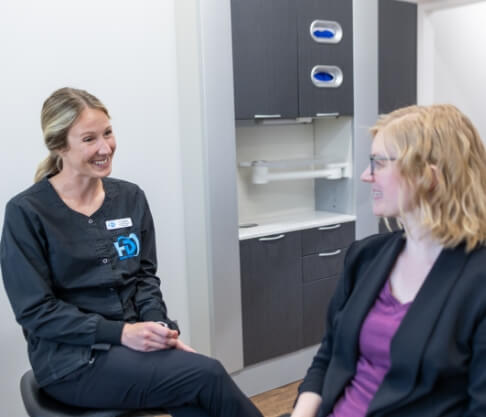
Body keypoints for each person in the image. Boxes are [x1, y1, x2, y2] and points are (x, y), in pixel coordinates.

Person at [0, 87, 263, 417]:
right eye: (89, 139)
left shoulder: (130, 197)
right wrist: (122, 333)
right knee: (205, 375)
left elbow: (143, 279)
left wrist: (158, 330)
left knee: (194, 396)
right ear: (59, 146)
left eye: (108, 133)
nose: (104, 147)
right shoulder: (27, 213)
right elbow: (36, 312)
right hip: (71, 360)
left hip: (133, 345)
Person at [290, 104, 486, 417]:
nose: (366, 175)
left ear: (426, 175)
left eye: (378, 163)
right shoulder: (366, 257)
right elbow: (329, 355)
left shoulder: (477, 281)